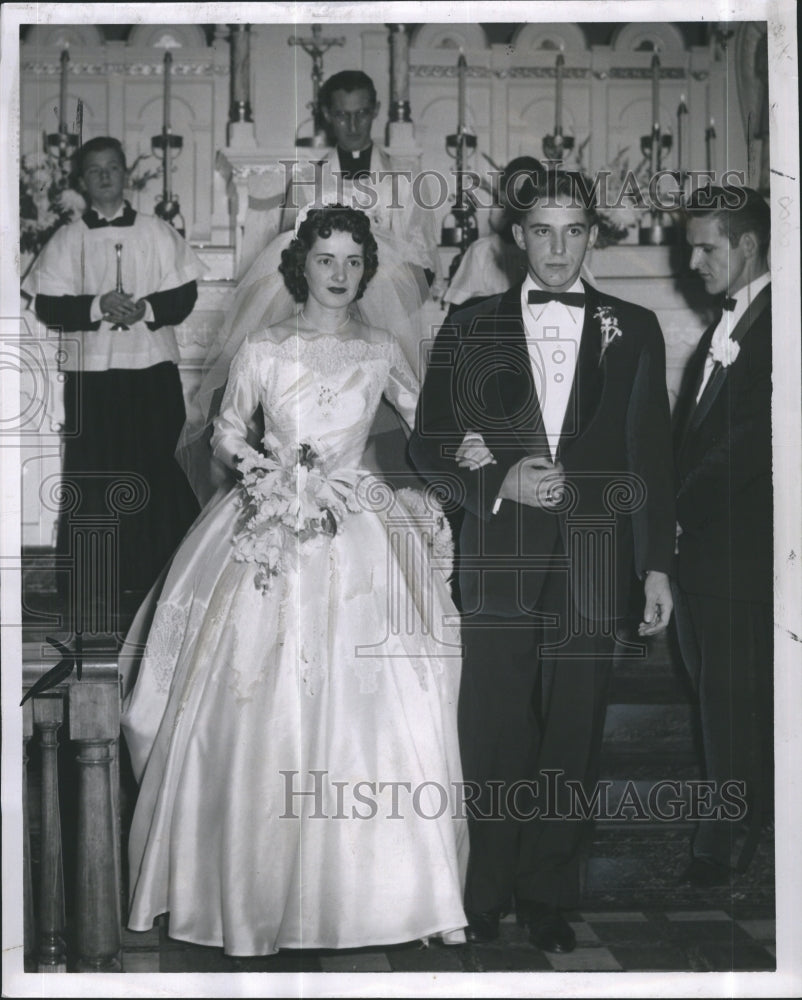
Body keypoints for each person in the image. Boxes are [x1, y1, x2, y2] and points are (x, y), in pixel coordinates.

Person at [120, 206, 467, 956]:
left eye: (350, 261)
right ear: (299, 267)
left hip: (360, 521)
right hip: (268, 521)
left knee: (382, 694)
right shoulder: (265, 348)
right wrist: (268, 477)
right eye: (325, 260)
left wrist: (463, 449)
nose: (338, 275)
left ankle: (388, 891)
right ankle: (243, 886)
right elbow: (227, 430)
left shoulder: (379, 350)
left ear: (365, 269)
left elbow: (428, 420)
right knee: (250, 695)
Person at [409, 169, 675, 953]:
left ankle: (550, 889)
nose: (558, 249)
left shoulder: (636, 326)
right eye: (543, 231)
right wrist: (497, 479)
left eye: (574, 231)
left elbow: (650, 454)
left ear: (592, 235)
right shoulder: (468, 325)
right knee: (492, 725)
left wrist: (656, 563)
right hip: (498, 554)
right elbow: (428, 441)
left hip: (597, 557)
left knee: (573, 724)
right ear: (516, 237)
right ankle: (485, 888)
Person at [180, 71, 438, 505]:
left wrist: (374, 280)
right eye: (342, 115)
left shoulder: (405, 181)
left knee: (390, 441)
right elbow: (292, 256)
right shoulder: (306, 181)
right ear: (327, 116)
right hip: (314, 319)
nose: (353, 126)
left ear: (374, 111)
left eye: (361, 115)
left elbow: (424, 264)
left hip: (386, 318)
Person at [22, 136, 203, 626]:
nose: (104, 177)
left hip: (151, 371)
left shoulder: (157, 231)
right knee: (96, 474)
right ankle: (94, 582)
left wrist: (144, 307)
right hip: (95, 376)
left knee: (157, 470)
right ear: (82, 181)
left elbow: (184, 296)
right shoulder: (68, 237)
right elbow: (48, 304)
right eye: (94, 170)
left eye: (112, 168)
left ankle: (165, 575)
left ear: (126, 174)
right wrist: (97, 306)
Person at [672, 185, 773, 887]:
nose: (694, 260)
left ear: (746, 245)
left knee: (735, 694)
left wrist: (674, 506)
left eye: (707, 246)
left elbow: (748, 441)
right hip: (703, 550)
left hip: (741, 548)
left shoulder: (781, 322)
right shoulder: (724, 326)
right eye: (689, 246)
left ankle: (731, 831)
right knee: (716, 689)